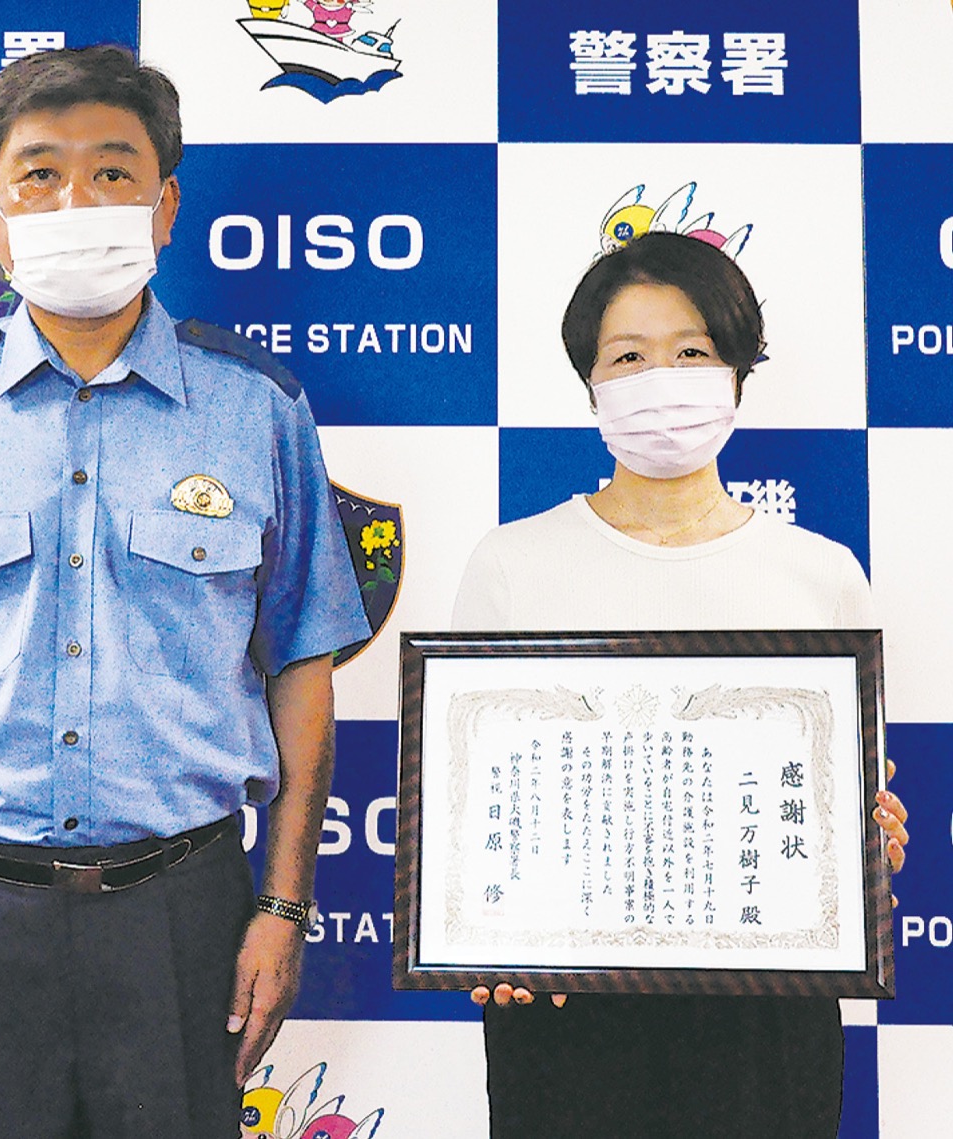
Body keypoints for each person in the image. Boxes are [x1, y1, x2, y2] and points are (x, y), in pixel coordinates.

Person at [0, 45, 368, 1139]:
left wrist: (283, 903)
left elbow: (301, 667)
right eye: (40, 175)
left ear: (166, 206)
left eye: (112, 172)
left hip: (184, 909)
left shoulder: (257, 409)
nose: (76, 202)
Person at [452, 231, 909, 1137]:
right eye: (629, 356)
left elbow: (848, 841)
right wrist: (481, 927)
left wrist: (866, 853)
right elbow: (475, 814)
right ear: (590, 382)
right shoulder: (513, 564)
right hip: (568, 1018)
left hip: (766, 1025)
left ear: (736, 370)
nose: (661, 378)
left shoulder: (819, 574)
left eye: (692, 352)